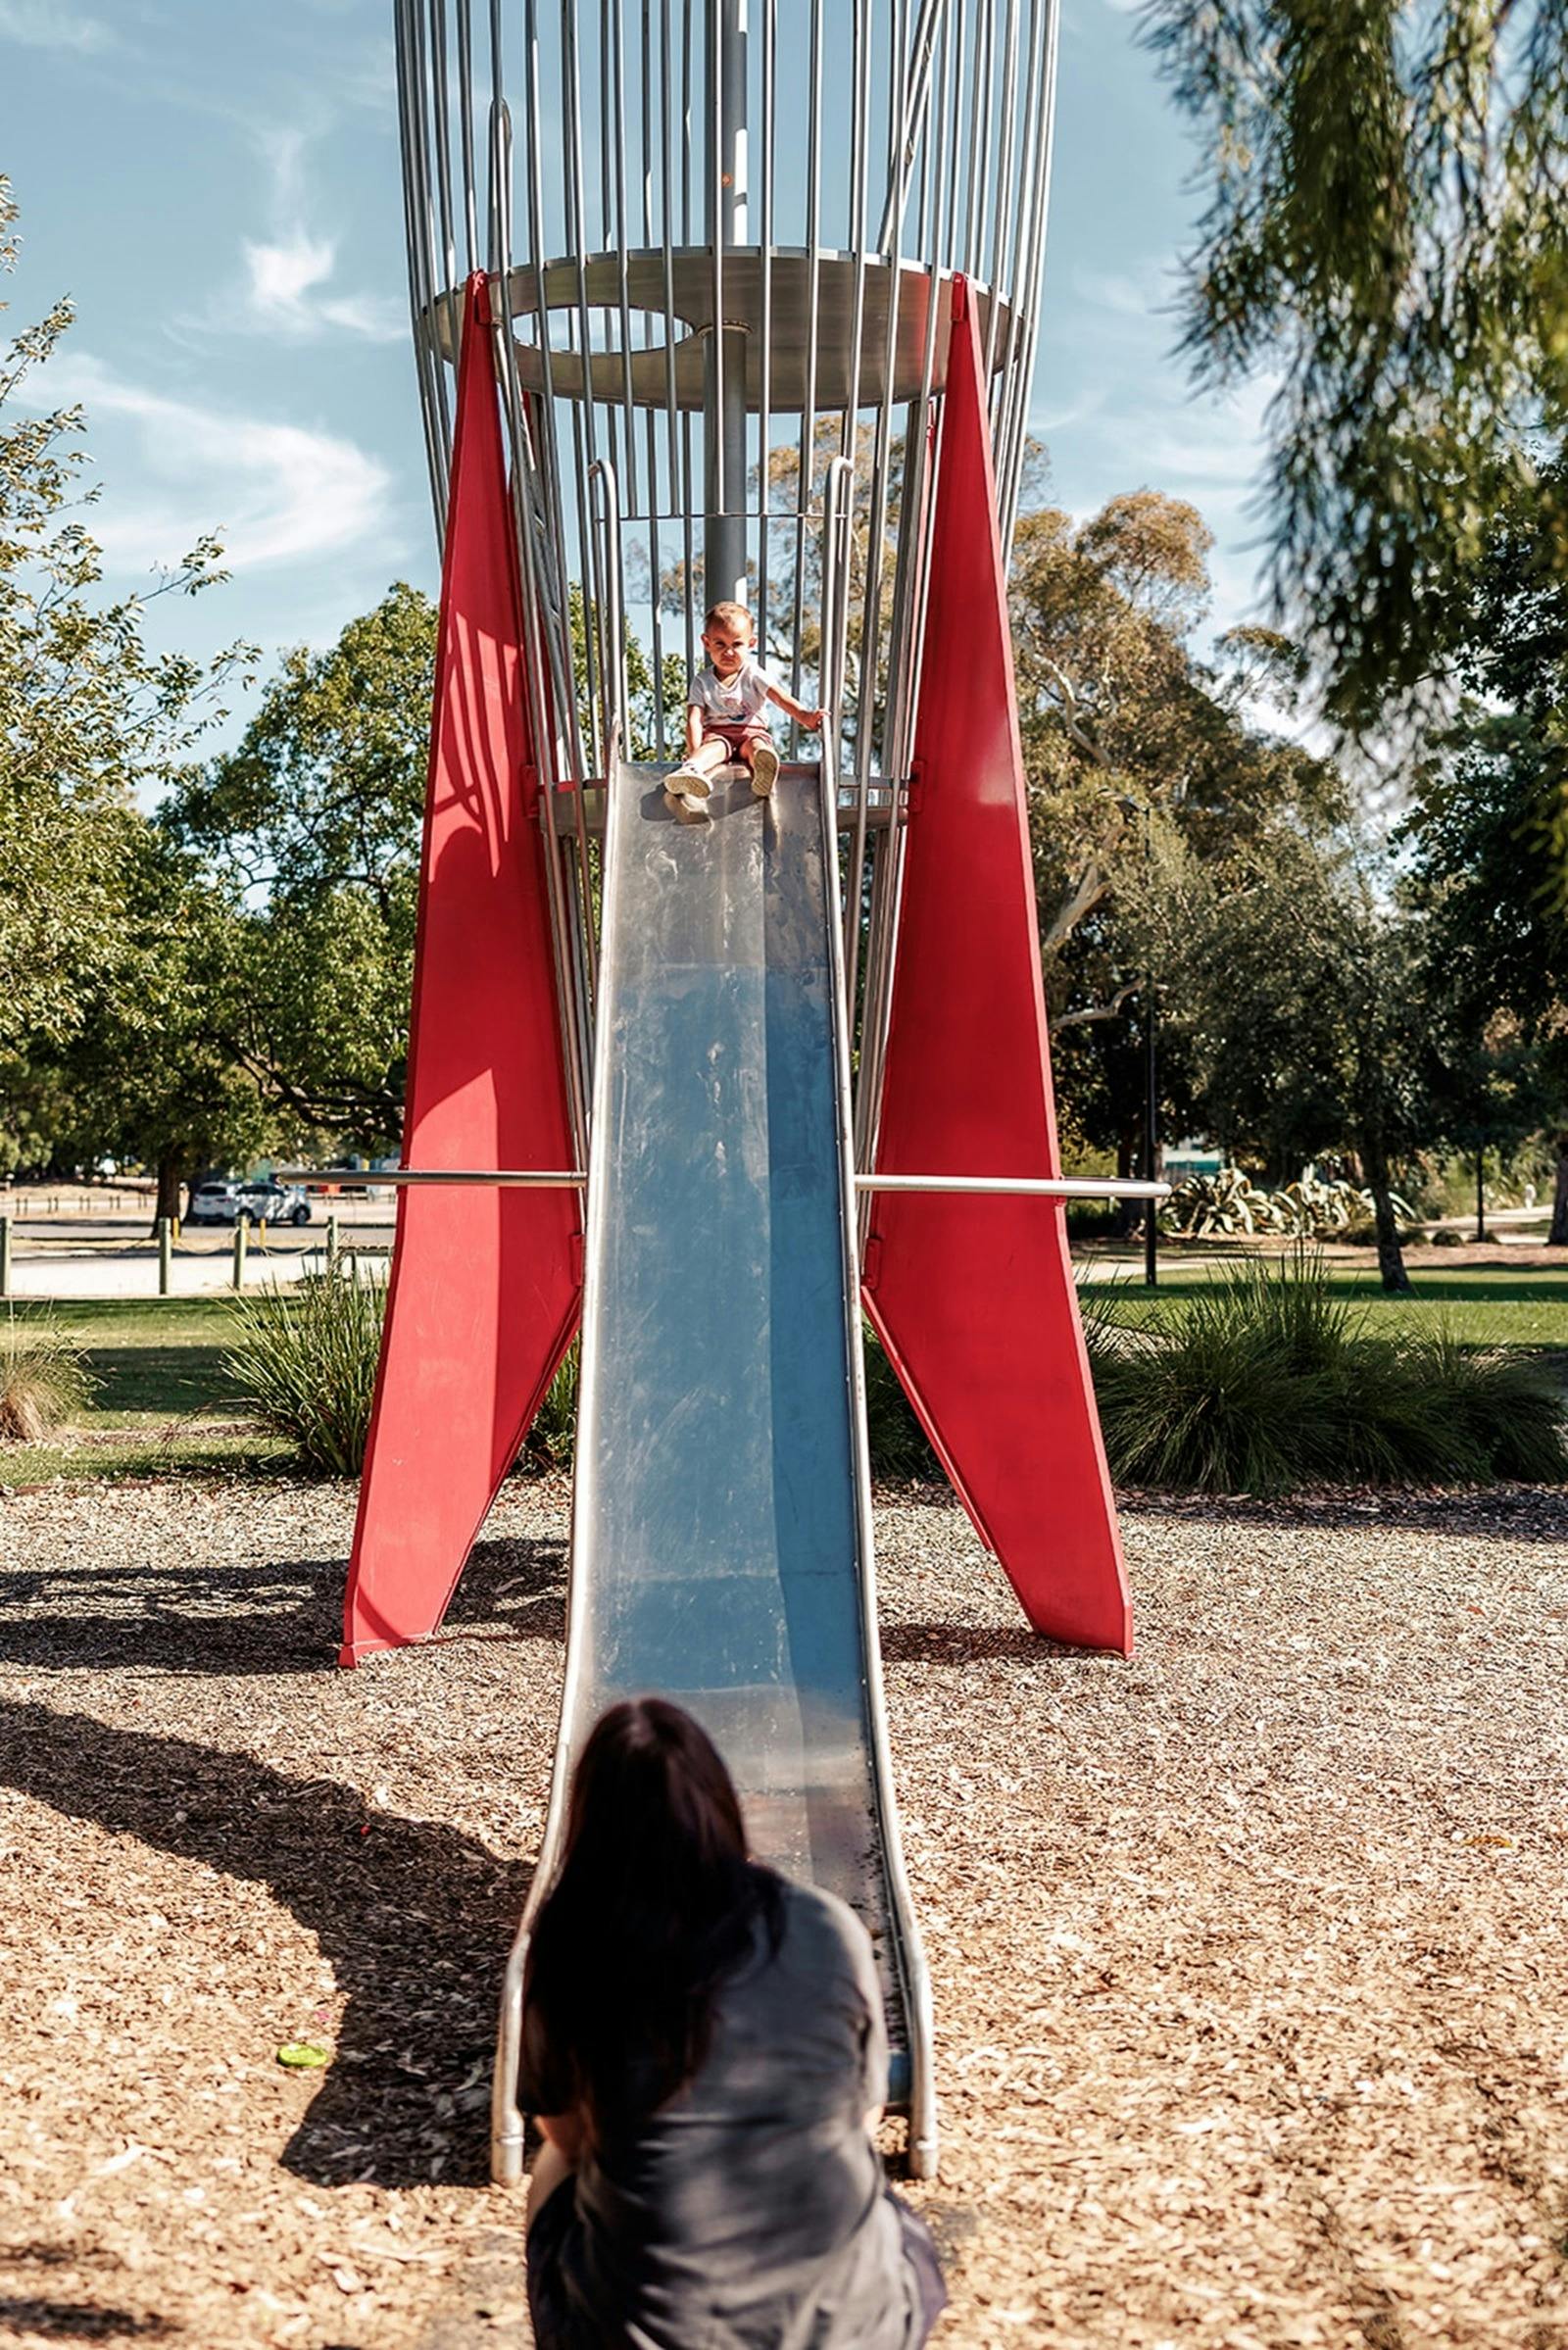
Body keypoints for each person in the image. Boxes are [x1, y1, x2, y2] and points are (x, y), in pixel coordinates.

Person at [519, 1696, 947, 2350]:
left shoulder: (572, 1941)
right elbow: (860, 2113)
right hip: (853, 2328)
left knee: (554, 2169)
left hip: (652, 2334)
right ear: (719, 1805)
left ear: (591, 1821)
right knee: (854, 2171)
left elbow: (569, 2136)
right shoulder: (823, 1922)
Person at [665, 600, 823, 817]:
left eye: (736, 644)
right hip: (718, 736)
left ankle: (764, 769)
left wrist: (805, 717)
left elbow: (780, 698)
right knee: (712, 749)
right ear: (706, 642)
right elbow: (694, 719)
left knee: (757, 746)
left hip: (751, 732)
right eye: (720, 644)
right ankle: (692, 770)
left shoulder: (753, 674)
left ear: (751, 643)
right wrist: (694, 751)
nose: (728, 652)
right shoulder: (702, 681)